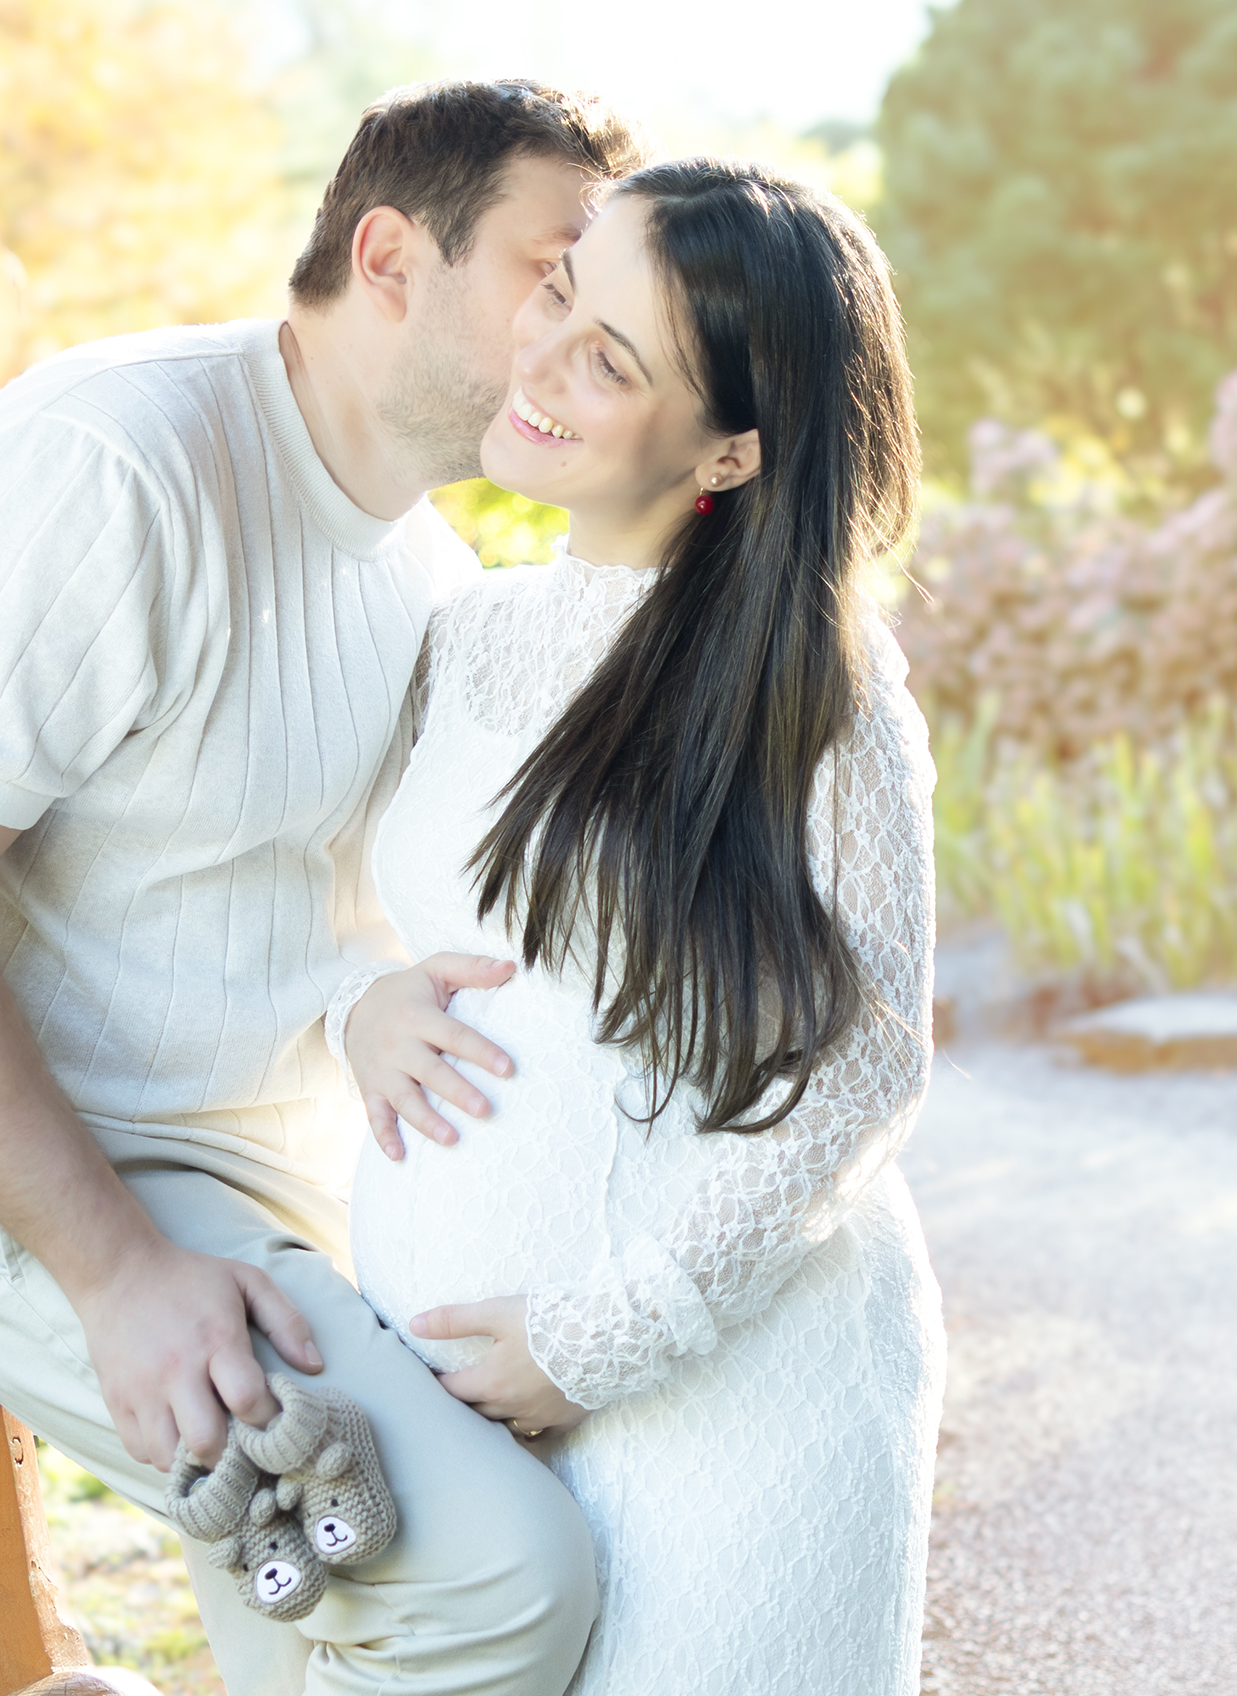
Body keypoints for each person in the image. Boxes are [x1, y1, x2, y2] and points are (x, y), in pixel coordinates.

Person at [0, 79, 651, 1696]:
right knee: (499, 1583)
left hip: (299, 1190)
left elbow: (294, 903)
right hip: (58, 1169)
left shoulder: (431, 572)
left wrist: (371, 996)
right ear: (388, 258)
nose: (579, 341)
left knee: (338, 1636)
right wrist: (118, 1274)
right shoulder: (110, 463)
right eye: (551, 278)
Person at [334, 159, 945, 1693]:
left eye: (609, 360)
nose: (541, 356)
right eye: (558, 292)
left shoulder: (818, 689)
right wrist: (359, 1002)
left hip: (737, 1413)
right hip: (466, 1425)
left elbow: (863, 1067)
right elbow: (366, 905)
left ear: (730, 449)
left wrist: (601, 1341)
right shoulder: (467, 628)